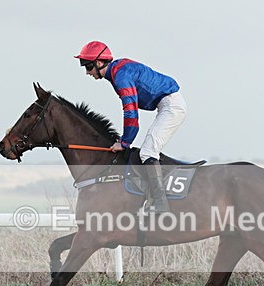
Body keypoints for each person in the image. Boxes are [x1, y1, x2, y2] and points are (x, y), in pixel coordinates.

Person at [75, 41, 187, 213]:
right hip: (166, 103)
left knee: (148, 152)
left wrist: (125, 142)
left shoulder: (121, 76)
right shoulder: (117, 71)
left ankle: (160, 203)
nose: (87, 72)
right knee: (147, 150)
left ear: (99, 63)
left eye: (88, 66)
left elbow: (131, 113)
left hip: (171, 105)